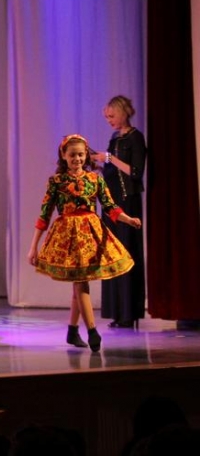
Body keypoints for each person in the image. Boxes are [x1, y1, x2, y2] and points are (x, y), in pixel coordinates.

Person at [28, 134, 141, 352]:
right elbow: (44, 215)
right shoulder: (57, 182)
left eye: (81, 154)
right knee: (81, 283)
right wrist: (34, 247)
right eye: (72, 155)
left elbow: (109, 206)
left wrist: (128, 219)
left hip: (90, 236)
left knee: (80, 283)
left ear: (86, 155)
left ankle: (72, 330)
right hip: (68, 238)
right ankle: (92, 331)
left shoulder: (95, 179)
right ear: (64, 155)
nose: (77, 159)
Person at [90, 95, 147, 329]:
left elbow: (135, 172)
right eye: (106, 117)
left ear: (123, 113)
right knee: (111, 254)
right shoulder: (115, 138)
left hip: (128, 202)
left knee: (127, 252)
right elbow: (112, 172)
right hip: (112, 202)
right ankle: (116, 311)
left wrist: (110, 158)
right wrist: (98, 164)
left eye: (112, 116)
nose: (109, 121)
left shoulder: (135, 138)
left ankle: (129, 312)